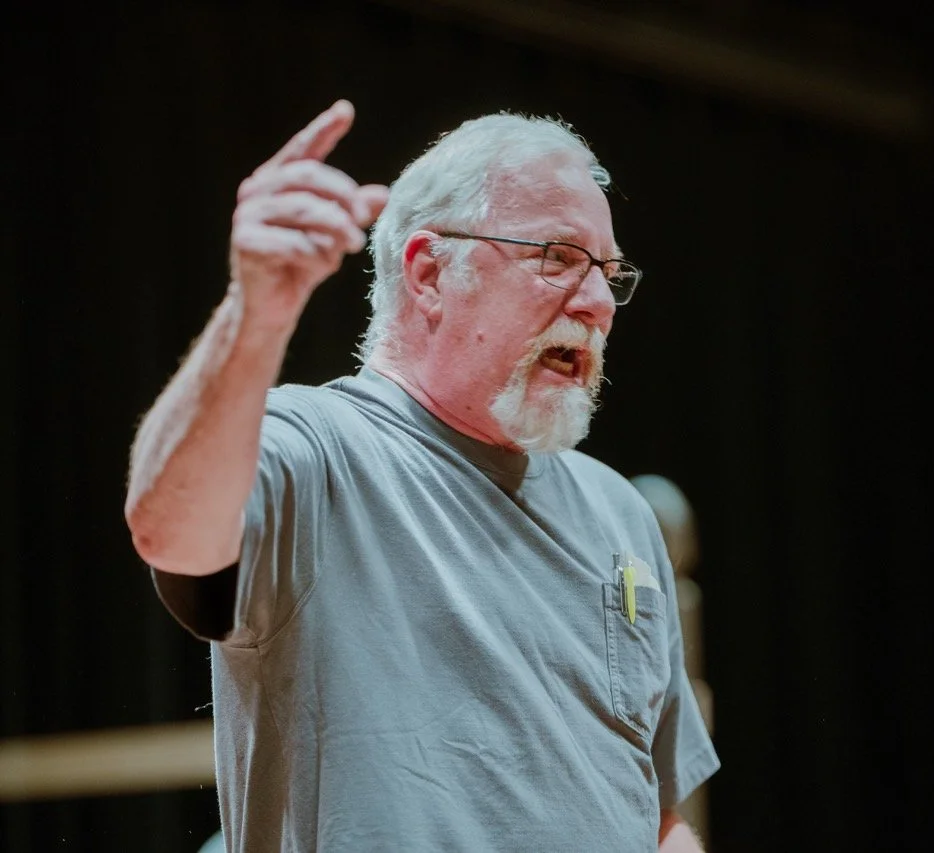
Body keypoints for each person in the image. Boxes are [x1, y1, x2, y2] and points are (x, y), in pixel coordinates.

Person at [125, 100, 719, 852]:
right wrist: (256, 311)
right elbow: (165, 525)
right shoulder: (319, 451)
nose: (599, 302)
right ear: (431, 272)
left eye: (609, 271)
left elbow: (658, 816)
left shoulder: (621, 513)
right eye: (559, 258)